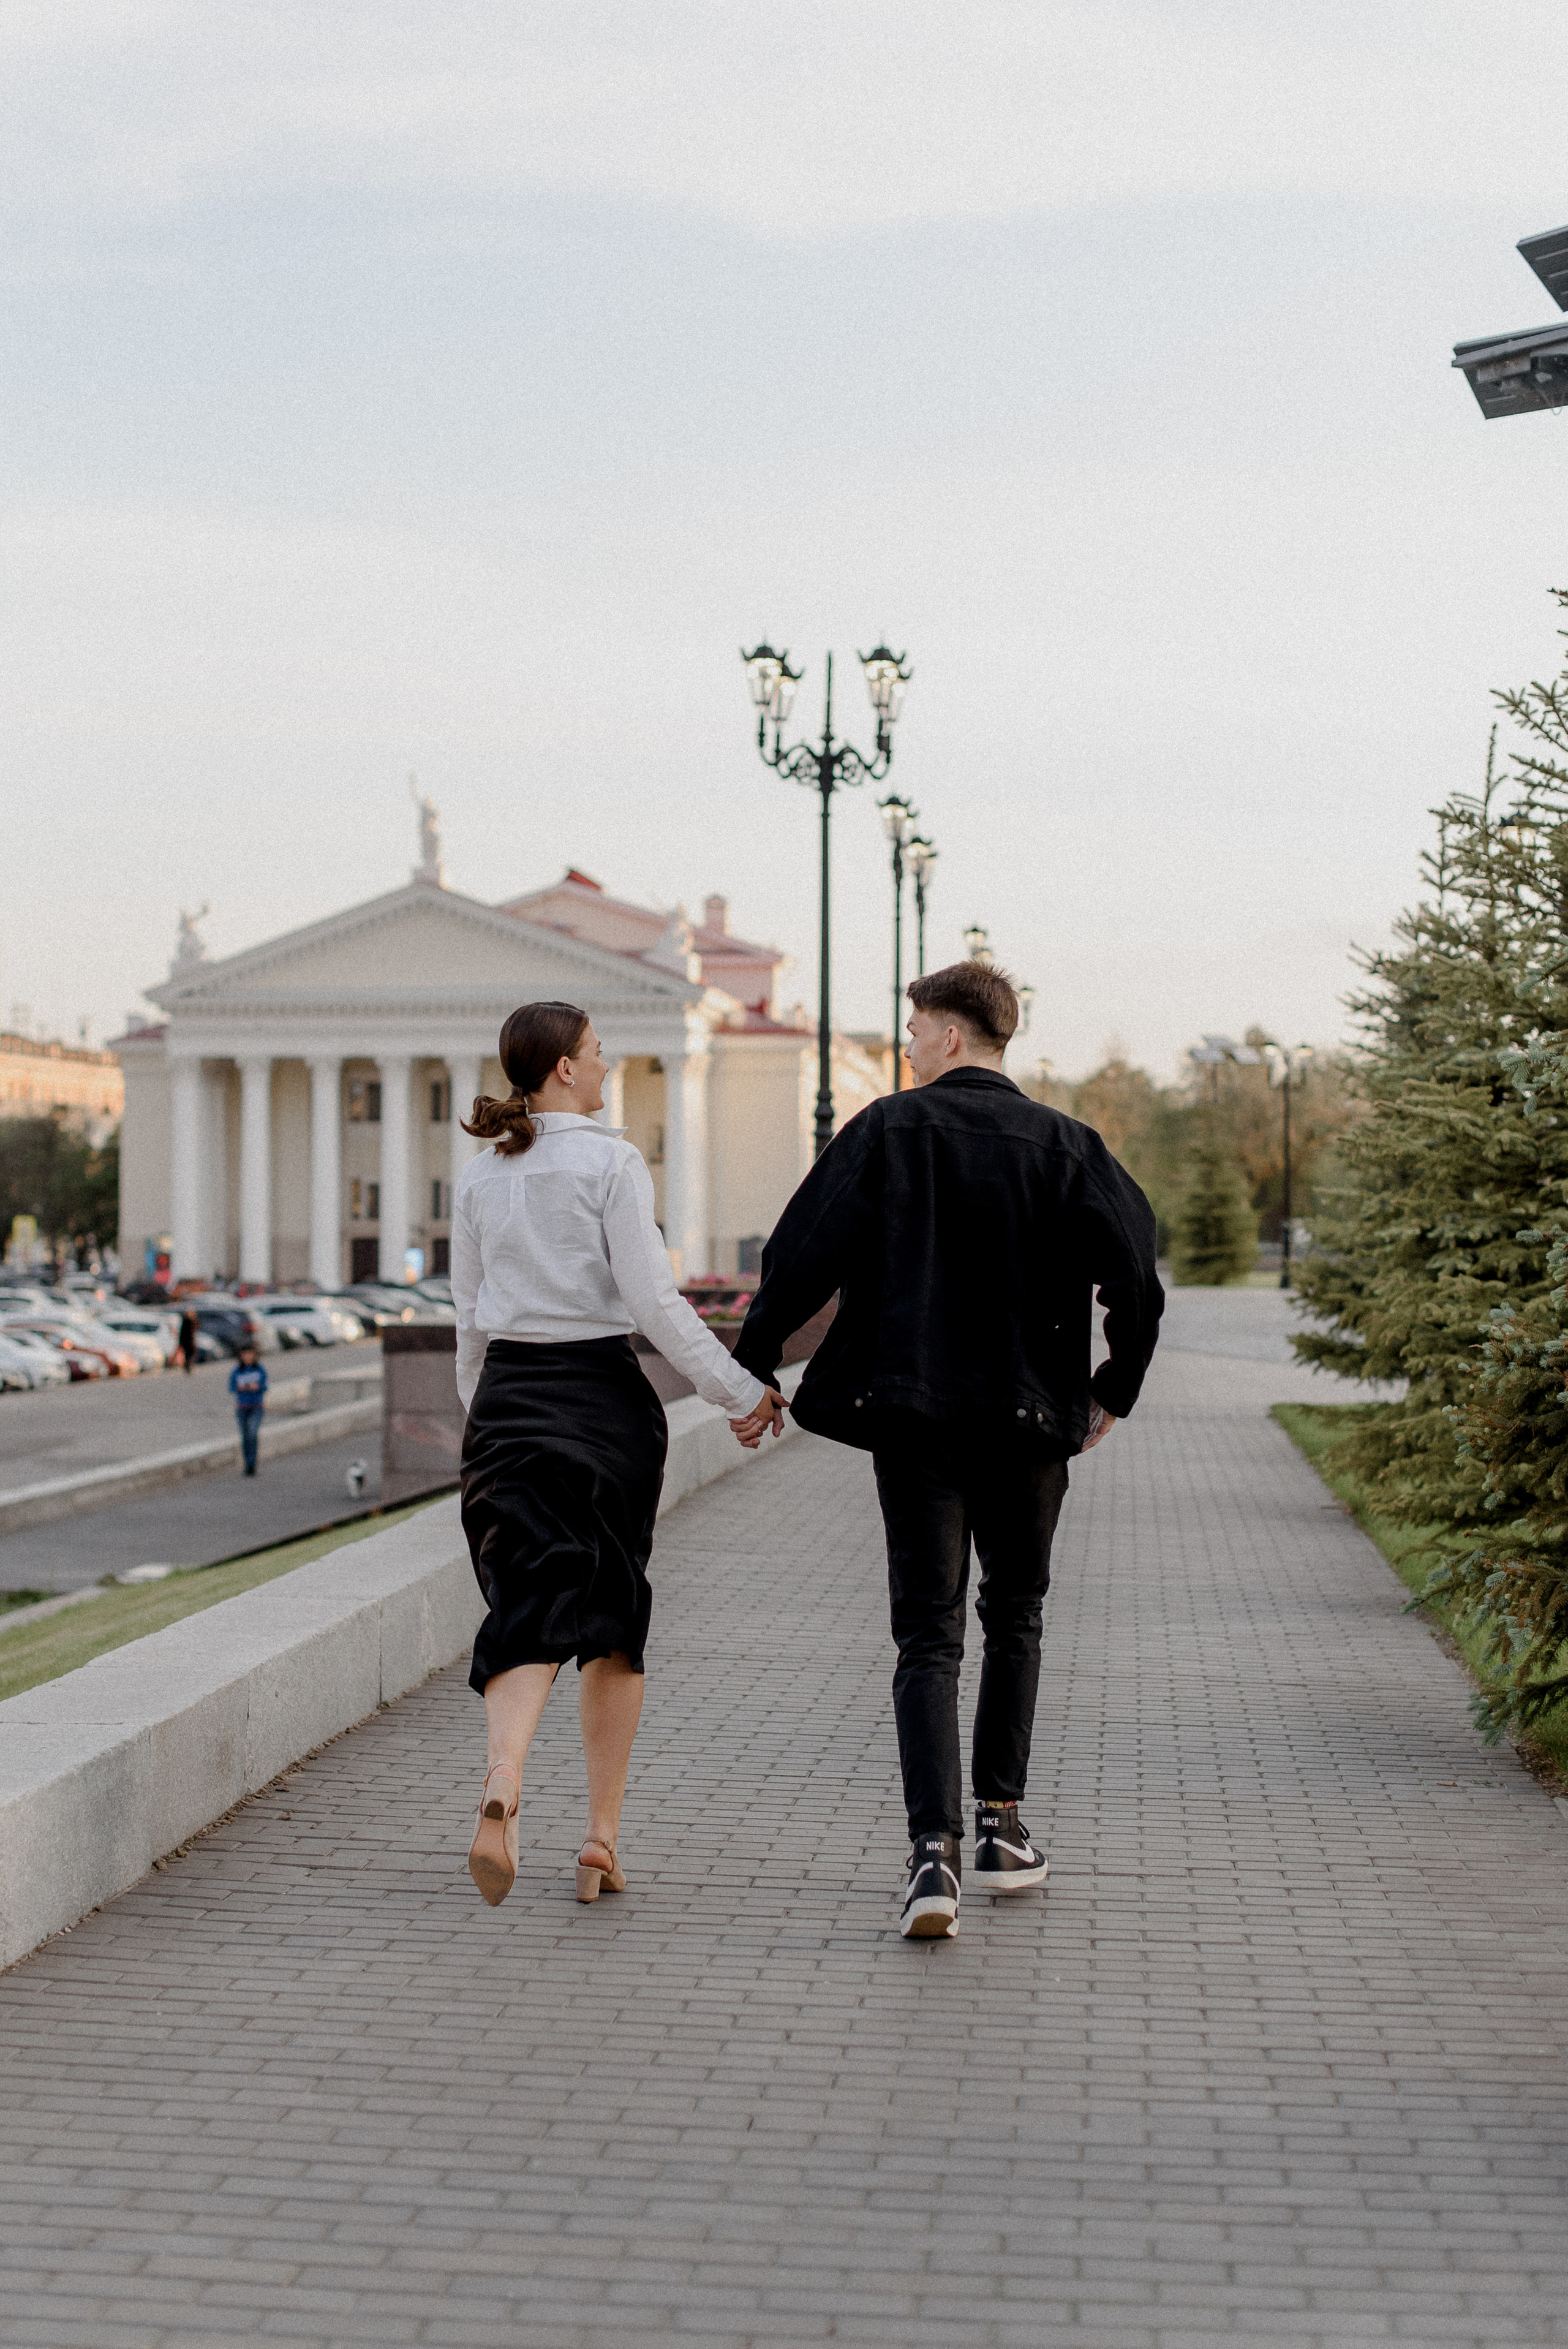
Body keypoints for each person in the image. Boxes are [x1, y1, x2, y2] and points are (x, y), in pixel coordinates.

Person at [732, 961, 1163, 1940]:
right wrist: (1112, 1386)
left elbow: (801, 1252)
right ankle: (1001, 1828)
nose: (908, 1045)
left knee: (928, 1635)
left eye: (915, 1028)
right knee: (1016, 1617)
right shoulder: (1069, 1145)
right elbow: (1136, 1273)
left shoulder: (888, 1130)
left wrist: (752, 1365)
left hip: (915, 1419)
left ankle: (933, 1857)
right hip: (1030, 1423)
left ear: (953, 1036)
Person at [453, 1000, 785, 1912]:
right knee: (612, 1618)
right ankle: (599, 1839)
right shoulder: (611, 1162)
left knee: (526, 1603)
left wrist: (484, 1420)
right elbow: (655, 1304)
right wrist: (741, 1392)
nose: (607, 1064)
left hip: (508, 1401)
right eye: (598, 1053)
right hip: (601, 1404)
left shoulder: (479, 1177)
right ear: (564, 1067)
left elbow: (468, 1320)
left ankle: (505, 1772)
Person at [229, 1342, 268, 1476]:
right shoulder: (237, 1370)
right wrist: (241, 1387)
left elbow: (265, 1386)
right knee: (245, 1436)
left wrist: (257, 1387)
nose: (247, 1357)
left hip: (257, 1406)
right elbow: (232, 1387)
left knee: (253, 1433)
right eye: (245, 1355)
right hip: (242, 1407)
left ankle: (253, 1462)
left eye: (250, 1354)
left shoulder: (259, 1369)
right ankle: (248, 1464)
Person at [178, 1306, 200, 1374]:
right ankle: (188, 1365)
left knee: (189, 1354)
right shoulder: (190, 1322)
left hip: (187, 1341)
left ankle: (188, 1365)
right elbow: (197, 1326)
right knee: (191, 1353)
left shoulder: (186, 1321)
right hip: (190, 1341)